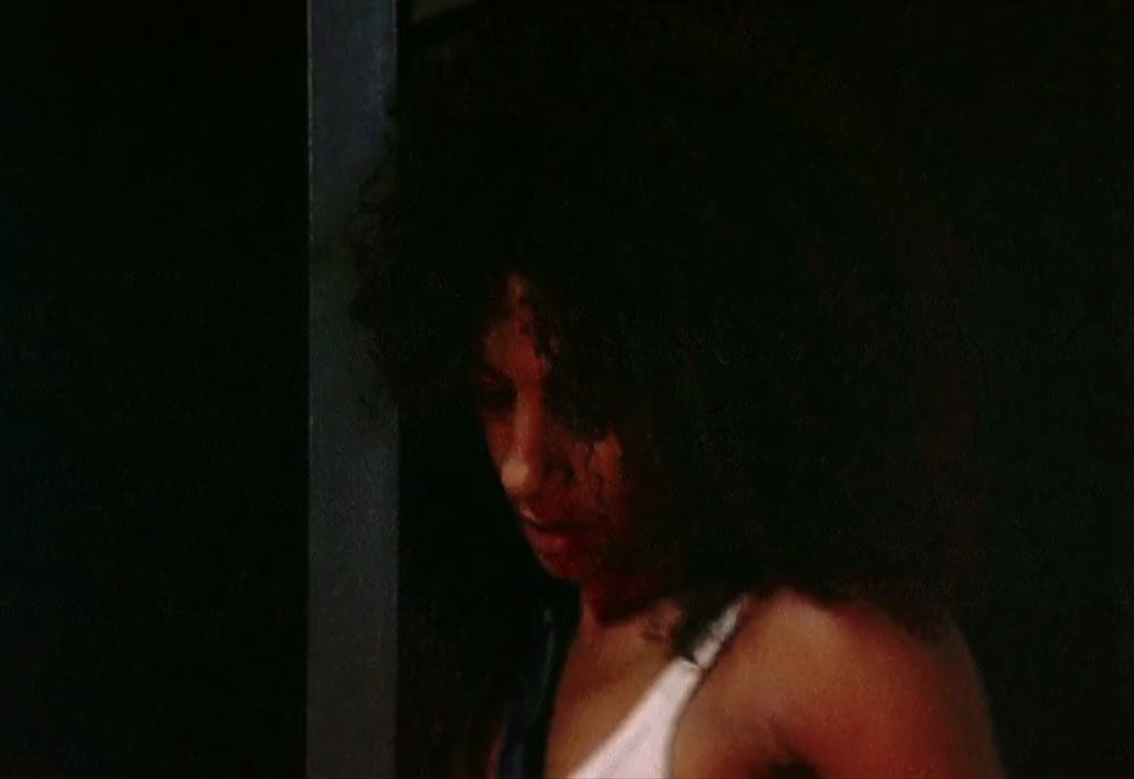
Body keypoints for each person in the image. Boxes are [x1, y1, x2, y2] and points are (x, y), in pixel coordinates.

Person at [354, 3, 1005, 777]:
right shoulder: (520, 677)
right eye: (496, 396)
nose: (523, 467)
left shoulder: (828, 654)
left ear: (704, 379)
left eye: (585, 401)